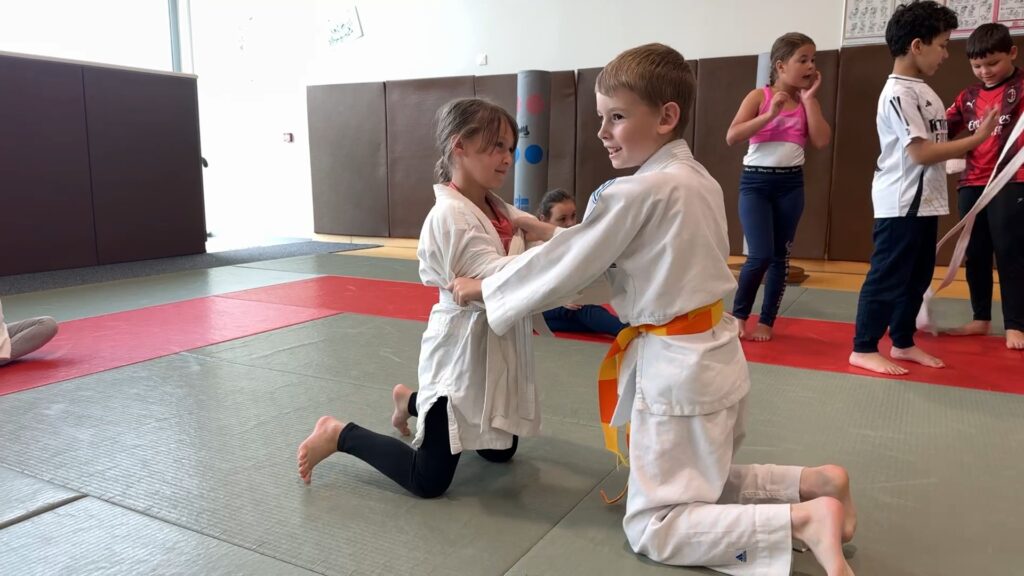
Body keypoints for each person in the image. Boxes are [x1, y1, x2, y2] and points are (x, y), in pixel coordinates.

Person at [451, 43, 856, 576]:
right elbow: (625, 257)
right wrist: (548, 233)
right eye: (601, 118)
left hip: (676, 378)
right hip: (714, 360)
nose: (602, 132)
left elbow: (576, 263)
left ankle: (801, 521)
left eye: (616, 117)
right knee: (701, 479)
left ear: (666, 117)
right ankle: (812, 482)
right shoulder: (697, 180)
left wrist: (485, 289)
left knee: (654, 525)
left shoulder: (632, 192)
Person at [297, 98, 540, 498]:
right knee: (427, 480)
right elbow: (503, 277)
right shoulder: (450, 216)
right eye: (496, 145)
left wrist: (537, 232)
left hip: (494, 341)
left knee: (500, 450)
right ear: (459, 145)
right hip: (460, 348)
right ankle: (338, 433)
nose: (506, 157)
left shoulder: (498, 208)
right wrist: (548, 243)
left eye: (510, 148)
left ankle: (409, 401)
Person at [849, 1, 998, 375]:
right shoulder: (898, 93)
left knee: (916, 277)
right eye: (943, 45)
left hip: (926, 201)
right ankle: (863, 346)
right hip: (901, 202)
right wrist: (977, 138)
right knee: (887, 275)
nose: (947, 54)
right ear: (917, 45)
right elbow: (919, 153)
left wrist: (967, 139)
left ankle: (902, 342)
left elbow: (934, 143)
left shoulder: (924, 92)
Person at [725, 32, 831, 342]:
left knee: (780, 258)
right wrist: (770, 115)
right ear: (781, 66)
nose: (811, 66)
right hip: (755, 184)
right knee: (759, 255)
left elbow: (822, 141)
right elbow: (732, 136)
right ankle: (739, 316)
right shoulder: (760, 96)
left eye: (814, 60)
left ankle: (767, 322)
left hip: (790, 184)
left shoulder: (805, 102)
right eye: (803, 60)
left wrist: (810, 100)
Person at [944, 22, 1024, 350]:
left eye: (993, 63)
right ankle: (980, 318)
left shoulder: (1021, 88)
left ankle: (1016, 325)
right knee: (975, 252)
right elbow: (944, 131)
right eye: (977, 66)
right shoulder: (968, 96)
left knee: (1011, 252)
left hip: (1012, 180)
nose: (985, 71)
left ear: (1012, 53)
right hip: (972, 182)